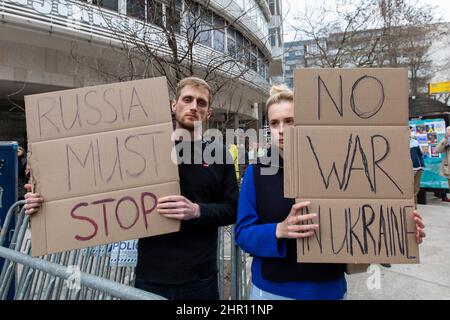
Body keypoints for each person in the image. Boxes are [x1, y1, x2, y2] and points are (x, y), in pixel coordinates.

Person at [23, 77, 239, 300]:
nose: (194, 106)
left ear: (209, 112)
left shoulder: (219, 154)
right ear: (174, 105)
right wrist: (45, 201)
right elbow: (91, 184)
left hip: (200, 280)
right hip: (151, 277)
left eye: (201, 103)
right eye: (188, 99)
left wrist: (197, 211)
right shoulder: (141, 147)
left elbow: (232, 208)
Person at [234, 85, 426, 300]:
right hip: (272, 290)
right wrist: (279, 230)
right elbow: (242, 234)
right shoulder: (256, 172)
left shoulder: (341, 167)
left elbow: (365, 220)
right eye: (274, 123)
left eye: (290, 121)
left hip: (327, 288)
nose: (281, 129)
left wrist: (402, 230)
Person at [410, 126, 425, 206]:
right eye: (408, 129)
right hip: (408, 170)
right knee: (409, 188)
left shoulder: (415, 142)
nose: (410, 131)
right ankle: (410, 206)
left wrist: (421, 166)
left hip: (417, 169)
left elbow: (420, 155)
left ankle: (414, 206)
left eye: (410, 130)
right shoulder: (400, 142)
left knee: (416, 189)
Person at [435, 126, 450, 202]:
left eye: (448, 131)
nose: (447, 133)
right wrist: (445, 139)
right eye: (447, 132)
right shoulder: (447, 142)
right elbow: (437, 150)